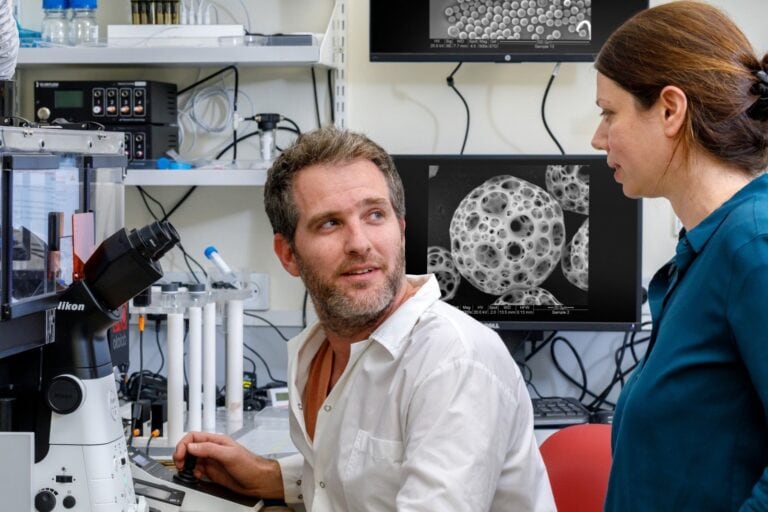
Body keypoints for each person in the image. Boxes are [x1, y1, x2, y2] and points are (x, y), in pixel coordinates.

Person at [173, 127, 555, 511]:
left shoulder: (453, 362)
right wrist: (267, 476)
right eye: (329, 223)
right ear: (287, 253)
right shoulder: (318, 350)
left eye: (375, 215)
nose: (359, 243)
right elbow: (362, 479)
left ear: (401, 230)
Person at [591, 2, 768, 510]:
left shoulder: (752, 247)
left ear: (670, 110)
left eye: (609, 112)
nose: (598, 137)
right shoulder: (706, 251)